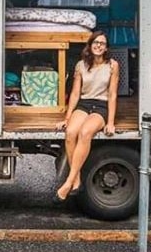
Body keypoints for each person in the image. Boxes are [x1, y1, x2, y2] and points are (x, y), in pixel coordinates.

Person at [54, 30, 119, 203]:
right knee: (70, 133)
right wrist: (67, 118)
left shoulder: (112, 65)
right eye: (95, 42)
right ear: (90, 46)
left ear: (106, 48)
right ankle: (77, 179)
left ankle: (69, 182)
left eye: (102, 43)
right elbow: (75, 93)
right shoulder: (80, 65)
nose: (98, 45)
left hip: (101, 106)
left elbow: (112, 94)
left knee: (85, 133)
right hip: (84, 103)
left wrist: (111, 122)